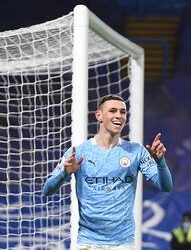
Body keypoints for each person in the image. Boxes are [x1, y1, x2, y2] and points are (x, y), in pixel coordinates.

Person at [43, 95, 173, 250]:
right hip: (87, 242)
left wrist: (160, 162)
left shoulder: (136, 151)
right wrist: (64, 172)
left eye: (122, 112)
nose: (119, 115)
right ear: (99, 115)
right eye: (113, 111)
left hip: (123, 243)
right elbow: (47, 190)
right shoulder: (78, 152)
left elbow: (166, 187)